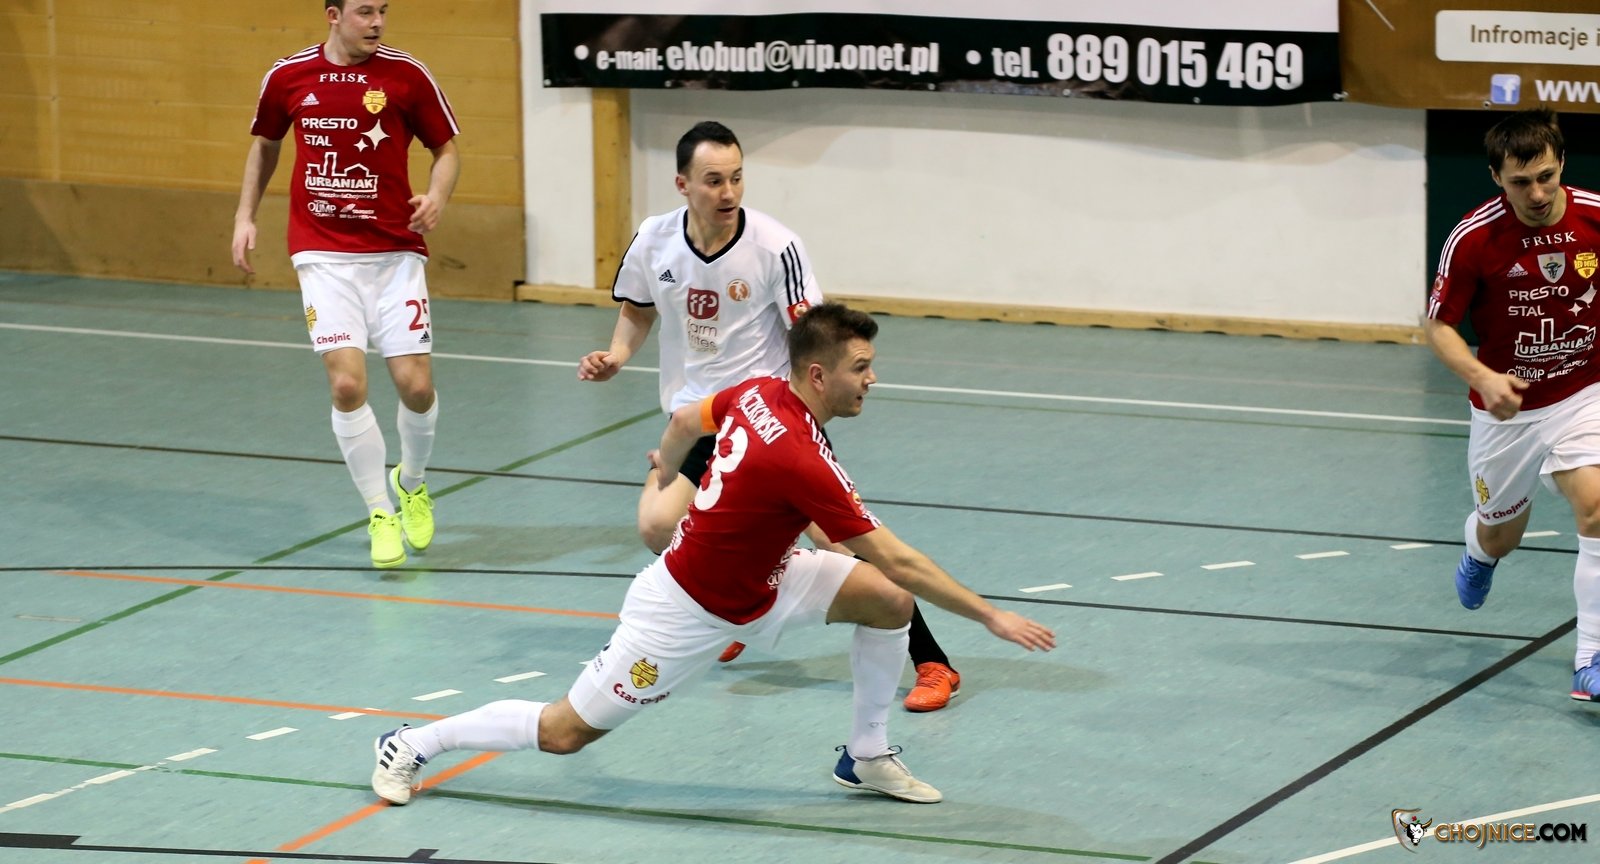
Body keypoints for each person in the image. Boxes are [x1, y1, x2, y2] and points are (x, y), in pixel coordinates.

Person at [373, 303, 1056, 807]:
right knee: (564, 732)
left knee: (887, 601)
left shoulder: (761, 391)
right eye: (861, 367)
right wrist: (989, 616)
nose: (872, 379)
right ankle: (412, 743)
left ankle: (867, 755)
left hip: (766, 581)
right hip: (683, 612)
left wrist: (667, 471)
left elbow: (683, 421)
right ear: (819, 375)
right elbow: (898, 556)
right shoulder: (800, 457)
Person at [577, 121, 964, 711]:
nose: (729, 192)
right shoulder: (654, 240)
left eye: (737, 178)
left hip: (764, 419)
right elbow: (638, 308)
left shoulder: (774, 246)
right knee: (658, 527)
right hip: (699, 418)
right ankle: (735, 611)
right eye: (714, 180)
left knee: (837, 539)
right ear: (683, 185)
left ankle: (933, 661)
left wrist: (808, 408)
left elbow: (813, 336)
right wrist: (617, 356)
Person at [231, 0, 459, 569]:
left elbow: (446, 150)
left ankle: (412, 483)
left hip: (395, 254)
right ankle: (380, 511)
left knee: (416, 387)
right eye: (364, 11)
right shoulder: (288, 76)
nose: (377, 22)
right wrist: (245, 215)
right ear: (333, 15)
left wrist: (437, 196)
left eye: (382, 10)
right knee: (347, 385)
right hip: (323, 254)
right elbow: (265, 143)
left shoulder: (407, 75)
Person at [1424, 107, 1600, 700]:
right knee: (1502, 535)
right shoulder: (1474, 238)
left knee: (1597, 507)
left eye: (1546, 176)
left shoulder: (1595, 217)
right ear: (1497, 177)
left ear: (1562, 164)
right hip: (1508, 411)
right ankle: (1480, 552)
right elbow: (1439, 326)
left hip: (1583, 390)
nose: (1538, 193)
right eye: (1521, 182)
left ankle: (1591, 658)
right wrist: (1483, 376)